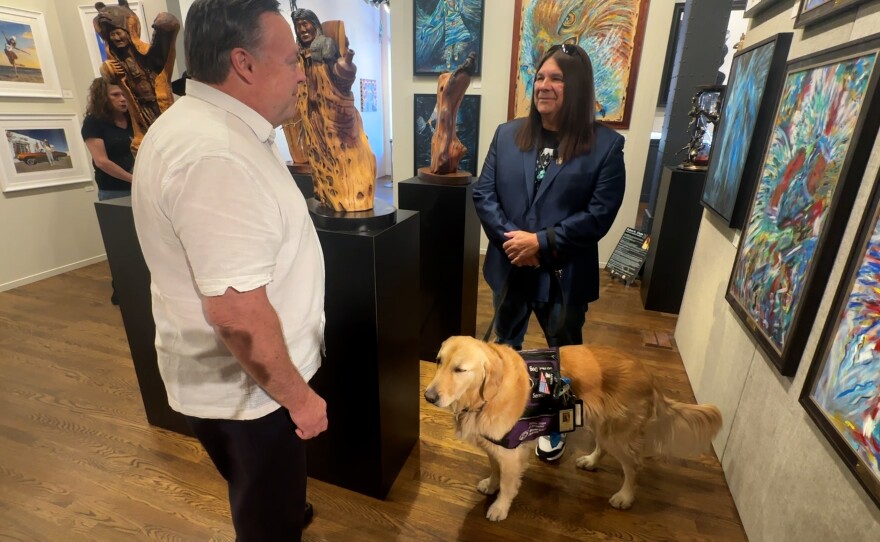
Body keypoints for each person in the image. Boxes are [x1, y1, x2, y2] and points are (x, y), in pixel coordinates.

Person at [130, 1, 326, 540]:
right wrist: (300, 399)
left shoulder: (205, 129)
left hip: (247, 390)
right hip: (253, 397)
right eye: (291, 61)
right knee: (268, 522)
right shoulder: (215, 155)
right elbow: (238, 315)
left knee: (269, 496)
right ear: (244, 64)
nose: (302, 74)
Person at [473, 43, 626, 462]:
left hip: (563, 274)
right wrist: (514, 241)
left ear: (576, 87)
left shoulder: (606, 147)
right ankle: (511, 408)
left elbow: (599, 216)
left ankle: (556, 422)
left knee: (563, 355)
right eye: (540, 77)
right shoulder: (508, 135)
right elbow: (484, 194)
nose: (544, 85)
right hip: (509, 266)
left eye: (556, 78)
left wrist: (540, 243)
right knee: (508, 342)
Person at [290, 8, 376, 212]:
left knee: (341, 154)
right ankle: (327, 193)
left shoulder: (325, 45)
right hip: (311, 112)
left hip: (331, 109)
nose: (302, 29)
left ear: (315, 24)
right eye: (298, 25)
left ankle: (348, 195)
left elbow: (340, 76)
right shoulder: (299, 53)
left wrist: (346, 67)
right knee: (318, 153)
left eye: (306, 23)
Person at [93, 0, 179, 154]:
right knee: (149, 147)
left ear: (129, 31)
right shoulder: (115, 61)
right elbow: (112, 78)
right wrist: (106, 69)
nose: (116, 38)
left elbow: (164, 54)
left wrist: (165, 29)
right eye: (112, 35)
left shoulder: (147, 54)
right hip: (141, 111)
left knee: (170, 142)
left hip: (160, 105)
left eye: (119, 33)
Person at [81, 77, 134, 201]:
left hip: (141, 185)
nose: (122, 99)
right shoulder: (94, 122)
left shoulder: (133, 119)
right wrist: (133, 179)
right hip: (114, 190)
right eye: (115, 95)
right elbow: (101, 161)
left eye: (124, 94)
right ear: (103, 98)